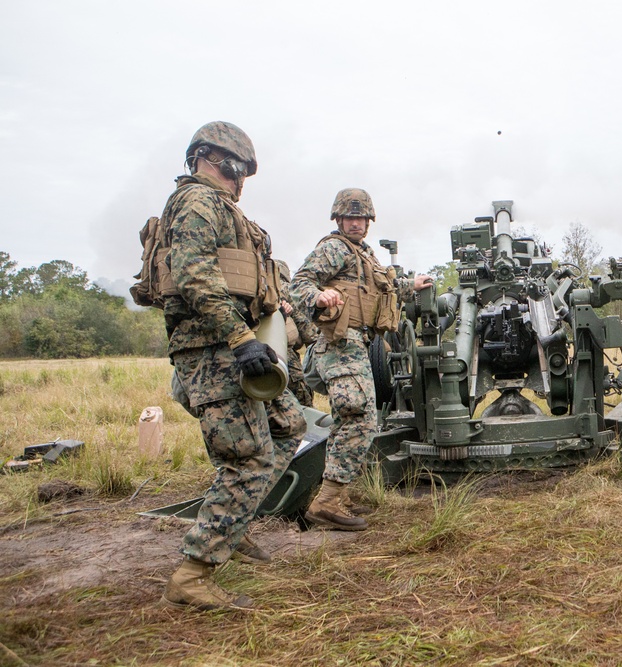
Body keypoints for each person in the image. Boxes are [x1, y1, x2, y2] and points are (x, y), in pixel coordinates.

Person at [158, 121, 306, 610]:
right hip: (214, 349)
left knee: (289, 425)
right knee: (248, 458)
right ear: (210, 158)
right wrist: (241, 338)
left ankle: (232, 522)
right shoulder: (197, 201)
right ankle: (194, 574)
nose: (240, 177)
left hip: (236, 344)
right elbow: (195, 275)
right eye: (235, 166)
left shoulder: (223, 209)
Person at [290, 188, 433, 531]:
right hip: (339, 342)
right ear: (339, 219)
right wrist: (319, 295)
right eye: (350, 217)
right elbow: (299, 284)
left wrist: (411, 285)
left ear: (368, 222)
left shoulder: (364, 255)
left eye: (361, 218)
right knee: (361, 418)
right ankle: (326, 503)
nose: (356, 223)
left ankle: (335, 495)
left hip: (358, 344)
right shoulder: (334, 248)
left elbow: (380, 292)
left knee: (347, 419)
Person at [276, 259, 319, 408]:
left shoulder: (261, 287)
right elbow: (305, 327)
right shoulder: (286, 289)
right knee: (302, 399)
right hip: (285, 353)